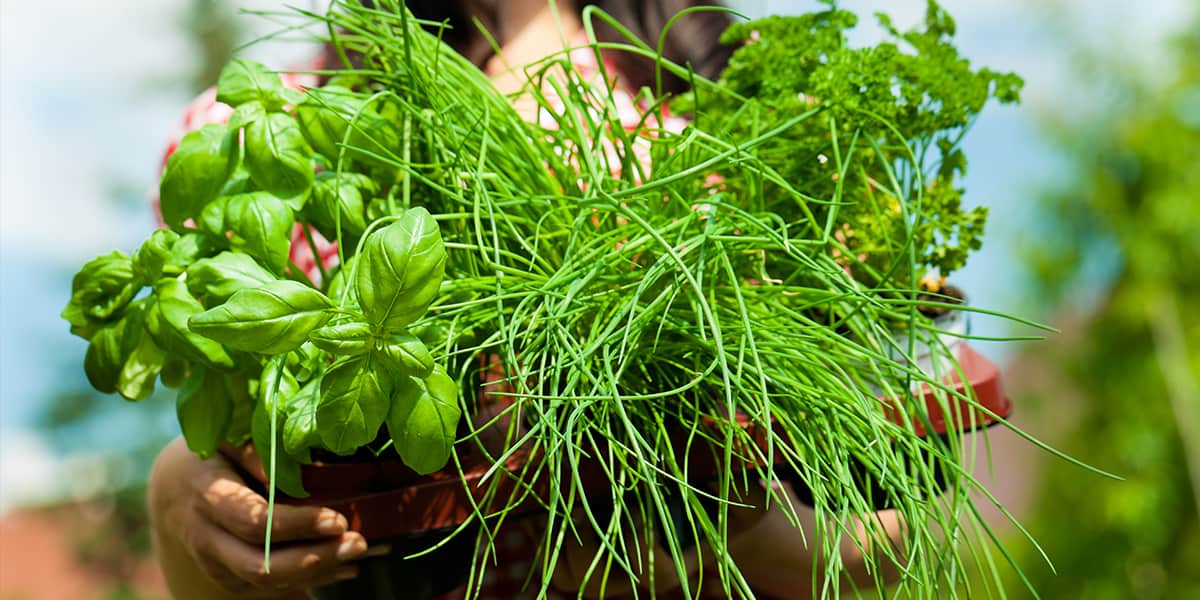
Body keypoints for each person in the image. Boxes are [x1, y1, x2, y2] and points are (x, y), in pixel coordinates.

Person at [148, 2, 905, 598]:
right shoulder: (274, 135)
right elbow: (273, 501)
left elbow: (905, 517)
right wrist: (174, 494)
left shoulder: (760, 104)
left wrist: (751, 539)